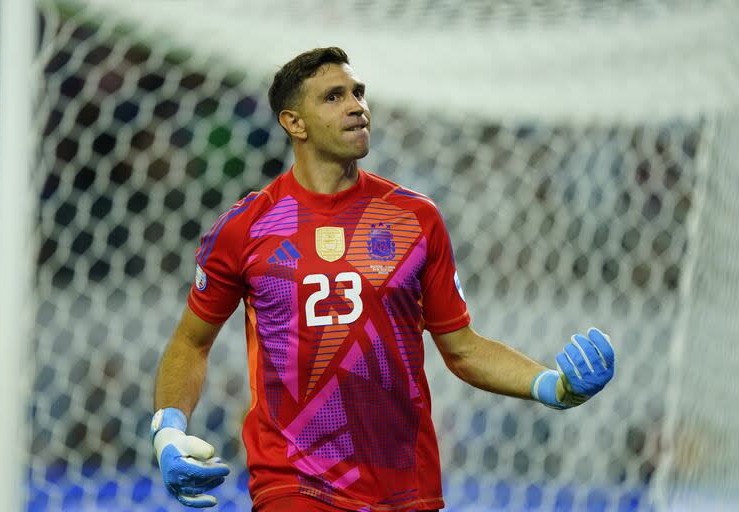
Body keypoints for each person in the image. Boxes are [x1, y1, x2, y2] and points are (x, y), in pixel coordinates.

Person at [151, 47, 615, 511]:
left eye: (358, 93)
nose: (357, 106)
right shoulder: (246, 227)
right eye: (334, 97)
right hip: (295, 483)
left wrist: (554, 387)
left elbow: (463, 348)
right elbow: (191, 342)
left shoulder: (415, 217)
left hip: (406, 485)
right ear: (295, 123)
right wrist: (168, 430)